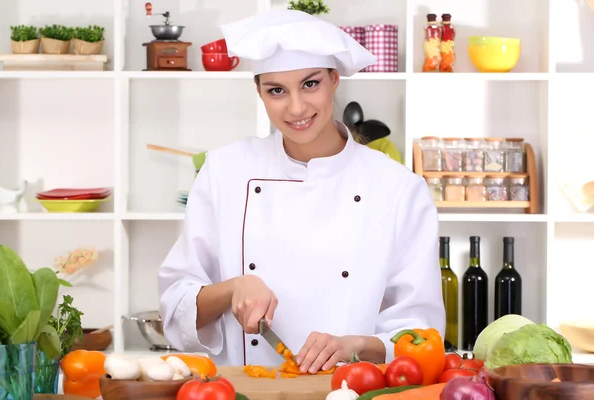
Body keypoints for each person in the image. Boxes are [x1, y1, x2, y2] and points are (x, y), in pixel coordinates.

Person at [158, 9, 445, 372]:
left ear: (335, 79)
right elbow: (175, 306)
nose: (296, 108)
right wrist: (234, 288)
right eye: (276, 90)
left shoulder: (399, 189)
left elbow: (421, 333)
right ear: (259, 91)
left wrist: (353, 345)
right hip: (247, 391)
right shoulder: (226, 170)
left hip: (353, 390)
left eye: (310, 84)